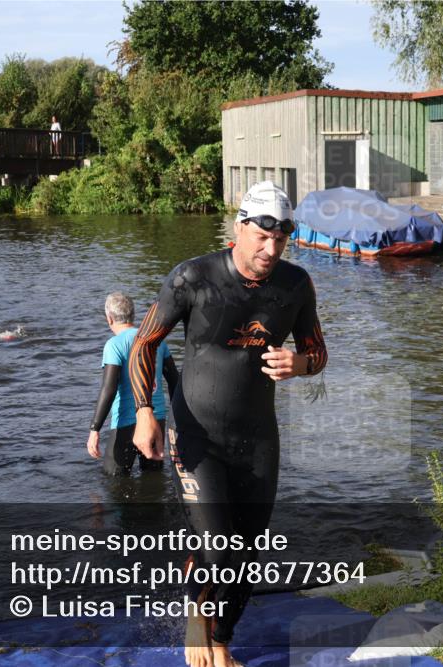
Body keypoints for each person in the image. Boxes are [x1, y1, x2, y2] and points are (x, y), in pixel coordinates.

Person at [128, 181, 327, 667]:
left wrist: (299, 365)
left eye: (281, 238)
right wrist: (143, 414)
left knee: (247, 556)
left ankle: (221, 640)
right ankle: (199, 617)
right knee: (218, 548)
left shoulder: (295, 285)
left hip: (257, 438)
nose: (271, 248)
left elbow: (318, 352)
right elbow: (145, 342)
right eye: (262, 235)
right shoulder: (192, 278)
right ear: (240, 227)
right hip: (195, 434)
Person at [87, 292, 178, 475]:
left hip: (125, 424)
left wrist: (94, 429)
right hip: (156, 420)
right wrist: (179, 424)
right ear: (133, 315)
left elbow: (109, 389)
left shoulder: (114, 345)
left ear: (109, 318)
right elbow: (175, 382)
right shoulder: (157, 341)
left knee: (115, 482)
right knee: (153, 480)